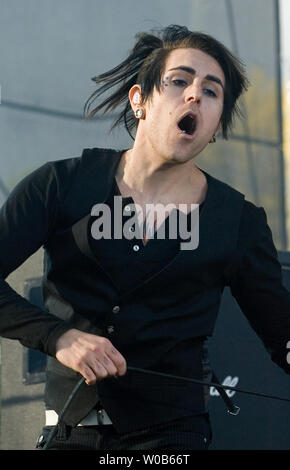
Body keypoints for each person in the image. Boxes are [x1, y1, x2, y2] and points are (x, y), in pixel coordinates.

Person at [0, 24, 290, 451]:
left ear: (215, 128)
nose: (195, 95)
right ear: (140, 100)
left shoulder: (237, 222)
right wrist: (58, 336)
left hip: (173, 439)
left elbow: (281, 333)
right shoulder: (60, 185)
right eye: (179, 81)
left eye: (212, 92)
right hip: (69, 431)